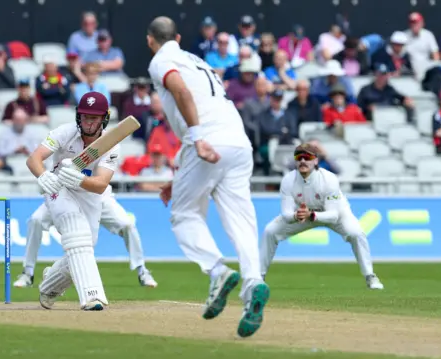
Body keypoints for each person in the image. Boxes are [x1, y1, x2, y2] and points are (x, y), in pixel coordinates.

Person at [146, 16, 269, 338]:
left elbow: (181, 92)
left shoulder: (162, 60)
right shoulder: (195, 59)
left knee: (184, 214)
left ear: (150, 40)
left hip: (209, 141)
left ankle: (217, 271)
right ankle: (253, 281)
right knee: (242, 221)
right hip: (239, 142)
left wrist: (199, 137)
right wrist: (182, 177)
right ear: (179, 36)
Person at [26, 91, 119, 311]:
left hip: (89, 195)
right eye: (85, 116)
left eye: (94, 118)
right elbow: (34, 159)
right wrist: (43, 175)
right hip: (58, 189)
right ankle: (92, 296)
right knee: (77, 235)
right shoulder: (64, 132)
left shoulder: (111, 144)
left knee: (84, 246)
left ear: (104, 118)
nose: (88, 122)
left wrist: (79, 179)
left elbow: (101, 185)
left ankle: (49, 285)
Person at [260, 143, 384, 290]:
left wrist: (312, 215)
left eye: (307, 157)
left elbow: (333, 216)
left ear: (316, 161)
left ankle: (370, 276)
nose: (303, 161)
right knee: (270, 231)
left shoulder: (329, 179)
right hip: (304, 214)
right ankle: (259, 277)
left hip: (335, 213)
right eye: (299, 158)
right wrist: (296, 215)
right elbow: (286, 214)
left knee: (356, 233)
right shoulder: (288, 180)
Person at [12, 187, 158, 288]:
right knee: (35, 220)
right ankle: (28, 273)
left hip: (97, 198)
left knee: (127, 225)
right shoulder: (63, 143)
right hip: (63, 198)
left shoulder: (103, 147)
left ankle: (142, 271)